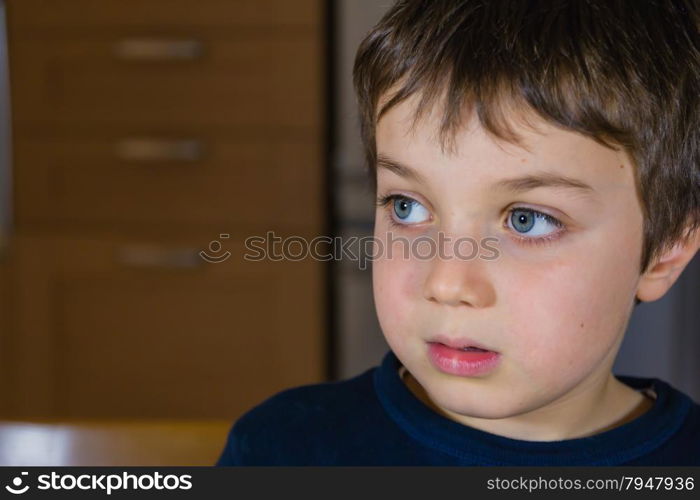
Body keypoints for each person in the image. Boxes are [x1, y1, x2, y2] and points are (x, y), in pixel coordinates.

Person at [216, 0, 700, 465]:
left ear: (665, 252)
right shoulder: (282, 450)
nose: (446, 283)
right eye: (407, 207)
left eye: (527, 220)